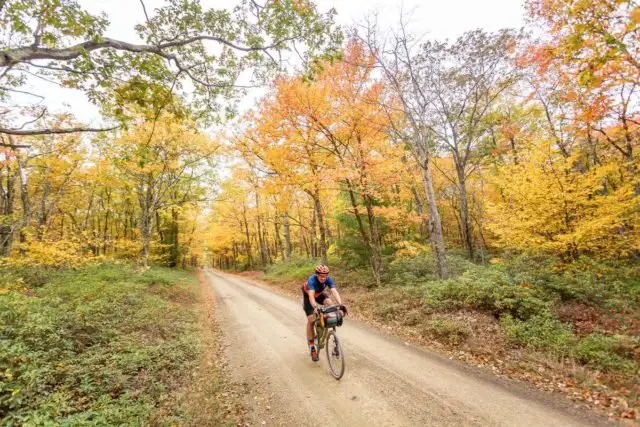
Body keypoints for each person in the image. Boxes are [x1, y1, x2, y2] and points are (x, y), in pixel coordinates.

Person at [302, 264, 346, 362]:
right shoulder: (311, 280)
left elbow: (334, 291)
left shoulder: (328, 279)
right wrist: (315, 307)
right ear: (317, 275)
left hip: (319, 294)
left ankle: (327, 326)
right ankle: (312, 347)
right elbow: (311, 297)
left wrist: (340, 304)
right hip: (309, 296)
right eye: (321, 276)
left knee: (330, 304)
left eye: (325, 276)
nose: (323, 278)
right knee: (311, 320)